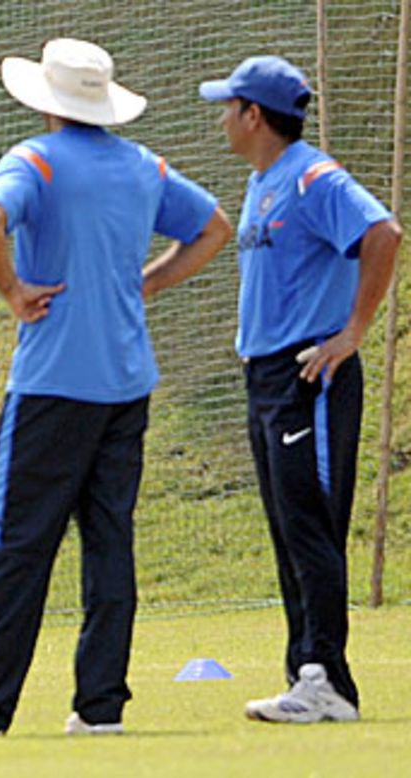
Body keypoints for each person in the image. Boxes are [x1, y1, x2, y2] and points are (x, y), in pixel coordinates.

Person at [0, 38, 231, 739]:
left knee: (13, 542)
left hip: (51, 386)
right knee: (109, 545)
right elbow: (215, 226)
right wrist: (150, 282)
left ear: (45, 100)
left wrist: (13, 290)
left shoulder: (36, 159)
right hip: (127, 384)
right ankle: (99, 707)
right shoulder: (143, 166)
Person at [199, 56, 401, 724]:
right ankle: (304, 674)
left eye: (229, 105)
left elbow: (383, 231)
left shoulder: (313, 176)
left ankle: (327, 678)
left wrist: (353, 332)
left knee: (312, 527)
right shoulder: (264, 182)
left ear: (254, 115)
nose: (222, 116)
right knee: (290, 528)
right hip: (266, 378)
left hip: (310, 375)